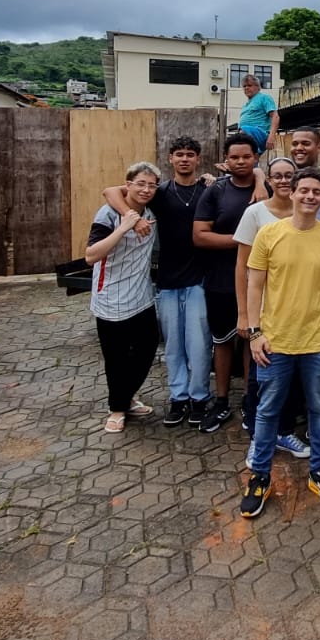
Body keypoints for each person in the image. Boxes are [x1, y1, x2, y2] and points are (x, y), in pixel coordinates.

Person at [240, 168, 320, 518]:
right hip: (276, 341)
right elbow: (254, 285)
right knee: (268, 409)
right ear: (291, 192)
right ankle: (259, 476)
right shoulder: (270, 234)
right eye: (303, 190)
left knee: (319, 410)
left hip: (318, 341)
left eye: (316, 192)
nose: (309, 196)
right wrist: (255, 332)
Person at [101, 136, 211, 428]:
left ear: (198, 159)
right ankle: (179, 397)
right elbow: (111, 190)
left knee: (199, 345)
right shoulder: (159, 192)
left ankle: (199, 398)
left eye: (190, 154)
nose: (185, 159)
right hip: (167, 280)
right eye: (179, 154)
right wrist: (131, 215)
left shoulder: (208, 189)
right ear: (171, 159)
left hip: (199, 279)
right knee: (173, 345)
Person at [233, 157, 311, 457]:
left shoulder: (307, 210)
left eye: (288, 176)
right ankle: (258, 435)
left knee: (291, 377)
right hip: (262, 310)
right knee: (260, 377)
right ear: (268, 179)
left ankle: (285, 432)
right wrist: (243, 314)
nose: (281, 180)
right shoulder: (255, 213)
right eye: (276, 176)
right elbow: (242, 268)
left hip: (299, 311)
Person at [84, 162, 162, 433]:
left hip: (141, 298)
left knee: (146, 350)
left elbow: (110, 189)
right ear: (127, 185)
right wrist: (124, 226)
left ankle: (126, 397)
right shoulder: (108, 215)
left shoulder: (152, 211)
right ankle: (117, 407)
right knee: (115, 357)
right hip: (110, 300)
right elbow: (91, 255)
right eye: (140, 183)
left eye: (152, 185)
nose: (146, 189)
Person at [191, 134, 261, 433]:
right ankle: (221, 401)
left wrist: (261, 181)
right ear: (226, 160)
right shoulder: (216, 192)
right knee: (221, 342)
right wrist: (240, 242)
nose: (241, 162)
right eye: (235, 158)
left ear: (255, 158)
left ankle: (249, 399)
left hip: (258, 284)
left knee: (251, 341)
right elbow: (200, 235)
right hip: (220, 281)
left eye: (247, 157)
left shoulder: (267, 189)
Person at [287, 128, 320, 219]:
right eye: (295, 144)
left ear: (319, 147)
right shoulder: (283, 179)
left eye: (306, 144)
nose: (299, 148)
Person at [237, 74, 279, 153]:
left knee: (244, 131)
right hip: (246, 135)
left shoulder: (264, 98)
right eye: (244, 86)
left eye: (249, 85)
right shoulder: (246, 105)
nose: (246, 88)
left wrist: (271, 136)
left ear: (257, 87)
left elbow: (275, 117)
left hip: (259, 133)